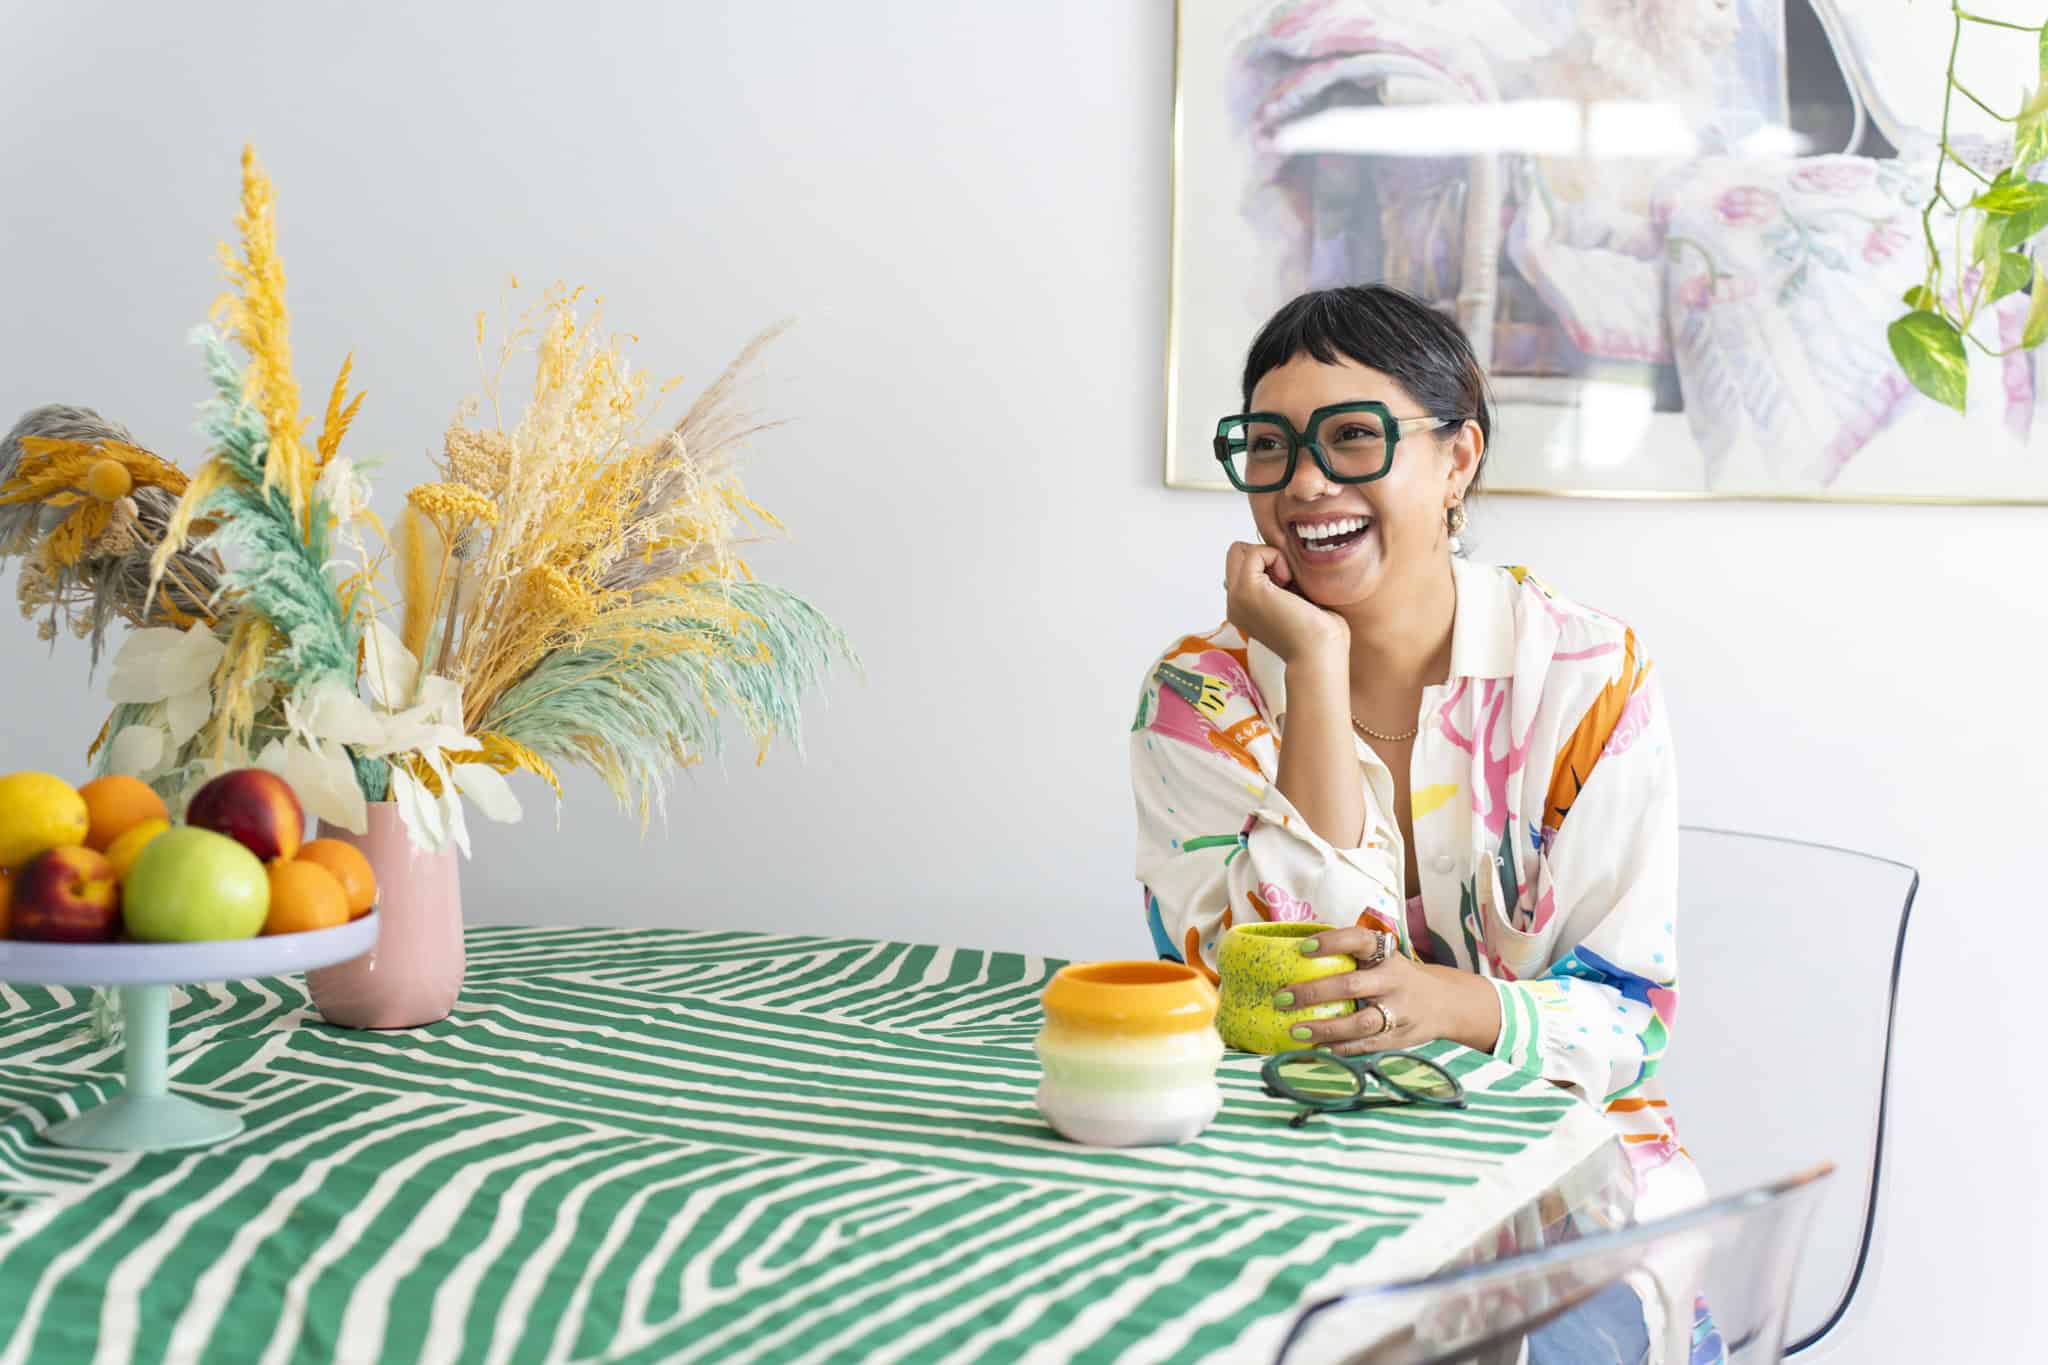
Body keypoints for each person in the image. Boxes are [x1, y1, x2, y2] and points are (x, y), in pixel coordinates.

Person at [1130, 285, 1709, 1358]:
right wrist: (1313, 665)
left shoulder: (1585, 678)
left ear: (1456, 460)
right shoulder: (1199, 699)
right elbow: (1286, 999)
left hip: (1563, 1189)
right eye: (1268, 446)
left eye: (1352, 436)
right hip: (1284, 1173)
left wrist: (1446, 1003)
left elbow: (1628, 1019)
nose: (1304, 483)